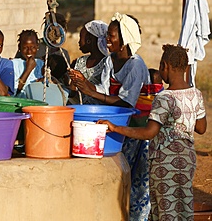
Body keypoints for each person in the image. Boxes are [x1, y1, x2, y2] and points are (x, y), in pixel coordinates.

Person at [98, 44, 207, 220]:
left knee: (165, 206)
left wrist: (116, 128)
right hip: (187, 160)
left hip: (165, 162)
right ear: (186, 68)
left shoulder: (164, 98)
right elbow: (201, 128)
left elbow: (149, 133)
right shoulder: (196, 94)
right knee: (183, 203)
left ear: (165, 67)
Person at [69, 12, 151, 220]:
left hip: (137, 128)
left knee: (137, 183)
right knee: (119, 174)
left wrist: (90, 91)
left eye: (112, 36)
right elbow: (104, 91)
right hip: (117, 124)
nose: (107, 39)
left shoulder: (135, 64)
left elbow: (126, 102)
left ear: (124, 40)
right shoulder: (109, 61)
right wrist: (83, 85)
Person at [68, 20, 108, 104]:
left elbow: (106, 91)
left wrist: (84, 81)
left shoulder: (107, 63)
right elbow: (72, 92)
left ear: (89, 40)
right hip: (81, 109)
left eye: (81, 37)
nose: (79, 42)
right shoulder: (80, 61)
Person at [12, 29, 44, 98]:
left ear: (37, 46)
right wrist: (28, 69)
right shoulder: (14, 64)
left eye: (32, 47)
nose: (29, 51)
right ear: (19, 47)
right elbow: (14, 91)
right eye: (25, 47)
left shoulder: (41, 64)